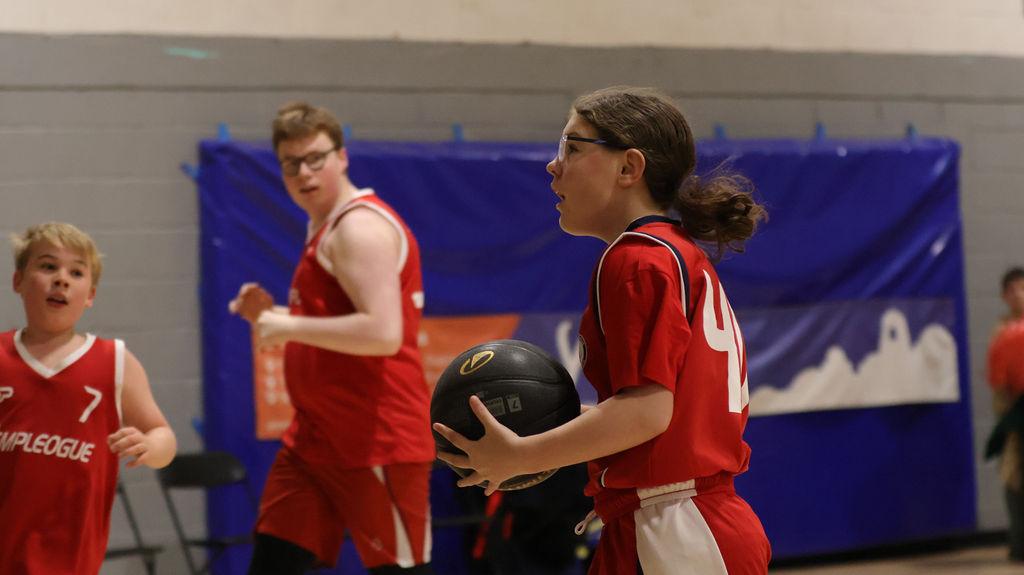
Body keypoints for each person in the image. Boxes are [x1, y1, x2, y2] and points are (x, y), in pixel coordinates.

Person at [434, 87, 771, 574]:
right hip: (673, 520)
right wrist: (547, 423)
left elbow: (647, 412)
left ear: (628, 167)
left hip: (678, 530)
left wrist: (523, 455)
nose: (553, 165)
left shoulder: (635, 259)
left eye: (572, 147)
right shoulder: (670, 251)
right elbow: (663, 412)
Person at [230, 102, 434, 575]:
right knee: (272, 564)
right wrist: (274, 316)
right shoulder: (324, 227)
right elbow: (337, 323)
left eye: (315, 158)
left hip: (375, 439)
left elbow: (383, 332)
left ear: (342, 157)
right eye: (291, 163)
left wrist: (289, 326)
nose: (304, 172)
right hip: (315, 439)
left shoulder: (358, 228)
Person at [0, 221, 177, 574]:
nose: (61, 279)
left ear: (90, 295)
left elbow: (164, 436)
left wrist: (150, 445)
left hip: (72, 562)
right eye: (48, 266)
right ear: (18, 281)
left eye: (76, 272)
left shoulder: (115, 360)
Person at [988, 267, 1024, 561]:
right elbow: (998, 379)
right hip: (1016, 414)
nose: (1019, 295)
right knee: (1013, 476)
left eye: (1023, 288)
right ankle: (1019, 542)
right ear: (1004, 296)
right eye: (1012, 290)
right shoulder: (1002, 332)